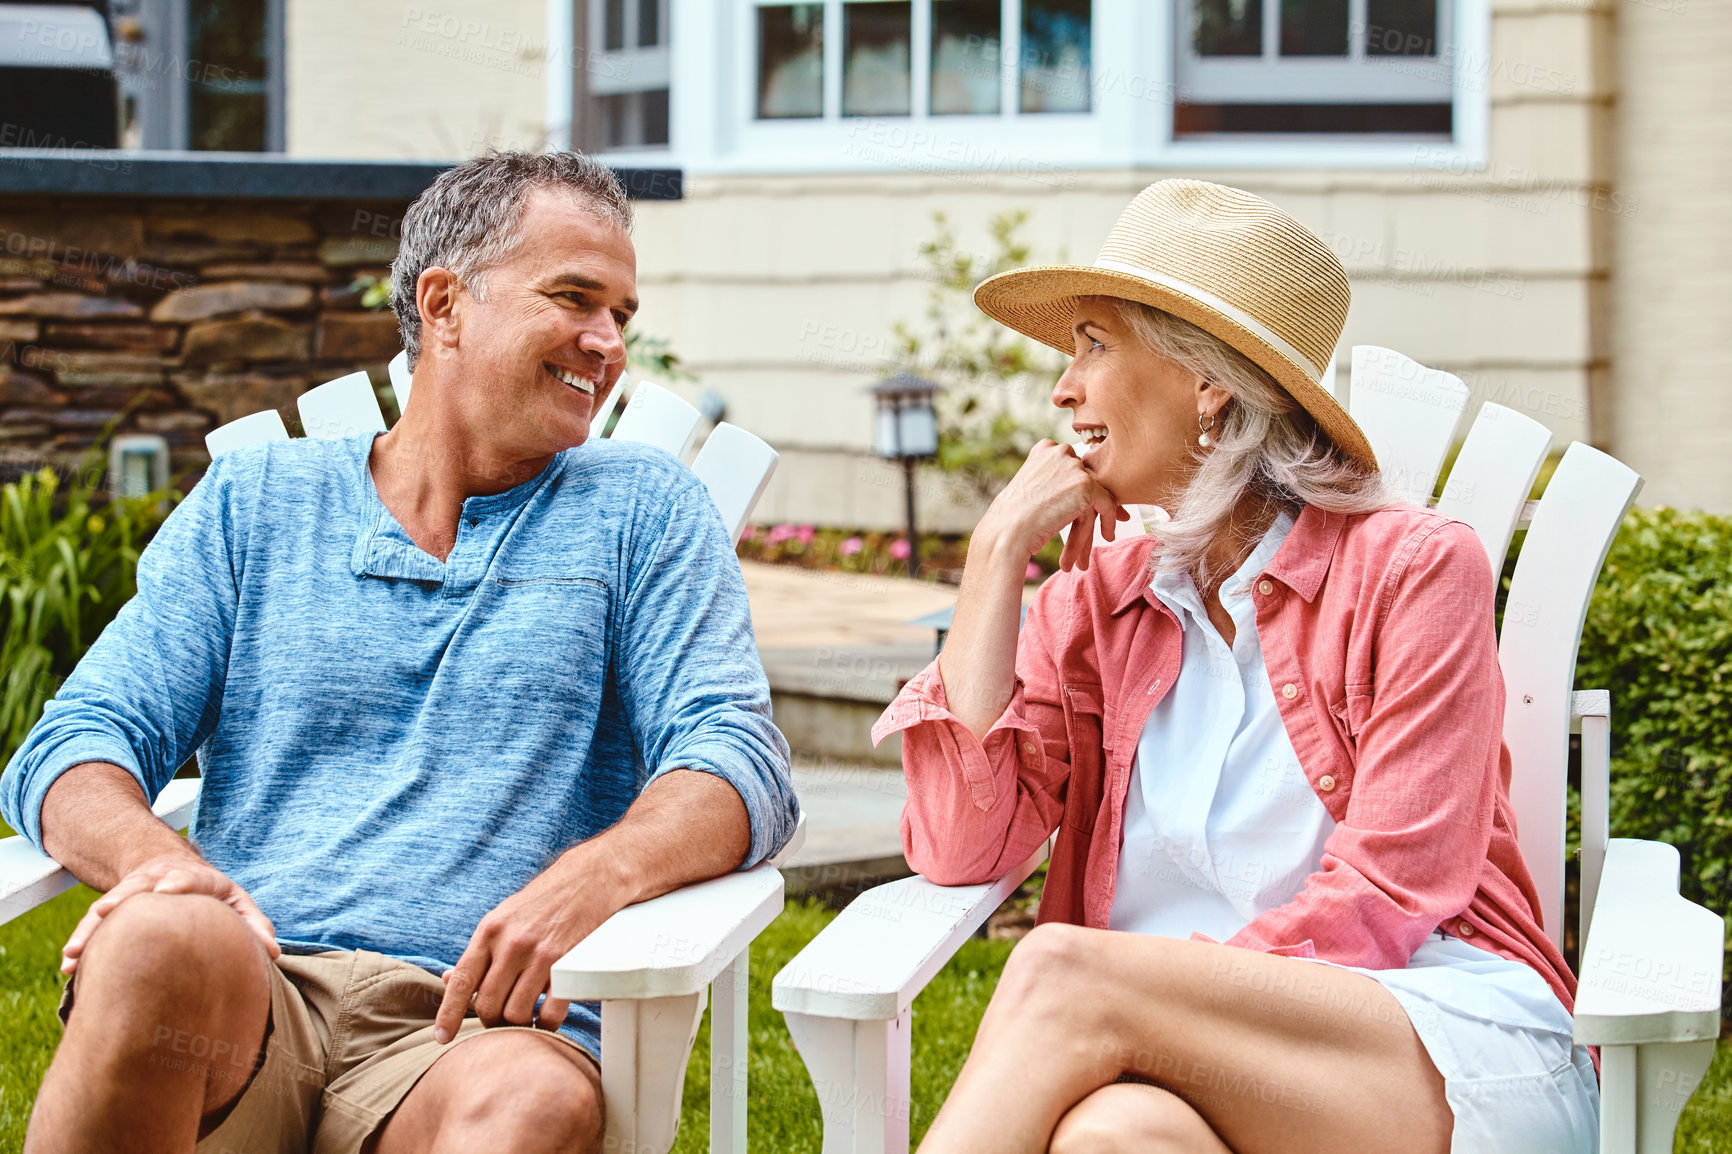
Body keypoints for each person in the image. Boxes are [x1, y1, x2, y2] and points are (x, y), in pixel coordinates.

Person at [0, 151, 798, 1154]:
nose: (607, 344)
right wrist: (160, 867)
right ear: (444, 304)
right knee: (160, 932)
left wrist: (594, 875)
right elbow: (79, 738)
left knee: (528, 1105)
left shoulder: (642, 511)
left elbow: (734, 755)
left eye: (621, 315)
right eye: (575, 298)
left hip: (478, 1023)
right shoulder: (262, 501)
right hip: (250, 986)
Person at [874, 179, 1598, 1154]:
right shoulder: (1094, 604)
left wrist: (1146, 1000)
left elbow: (1393, 887)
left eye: (1092, 342)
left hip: (1432, 1033)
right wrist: (995, 554)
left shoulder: (1413, 568)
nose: (1062, 388)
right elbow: (961, 845)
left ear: (1205, 382)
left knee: (1061, 972)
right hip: (1175, 1044)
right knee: (1113, 1136)